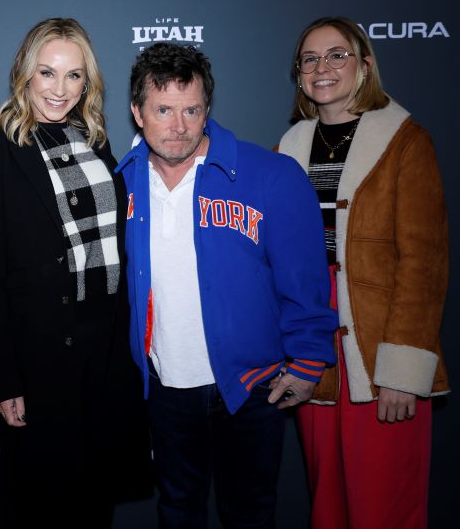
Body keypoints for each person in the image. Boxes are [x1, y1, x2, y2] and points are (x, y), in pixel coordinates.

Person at [115, 42, 337, 529]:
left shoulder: (271, 175)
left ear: (207, 108)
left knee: (250, 515)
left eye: (191, 109)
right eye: (164, 110)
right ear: (137, 112)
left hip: (252, 386)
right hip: (164, 386)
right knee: (177, 511)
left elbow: (305, 280)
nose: (179, 126)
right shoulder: (121, 183)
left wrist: (306, 360)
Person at [0, 18, 152, 528]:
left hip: (106, 352)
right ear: (25, 74)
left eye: (74, 76)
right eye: (47, 73)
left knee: (94, 503)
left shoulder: (96, 142)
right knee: (38, 506)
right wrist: (1, 378)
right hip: (39, 356)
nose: (59, 89)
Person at [277, 16, 450, 529]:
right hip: (314, 345)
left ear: (365, 65)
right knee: (325, 500)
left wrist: (402, 369)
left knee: (384, 504)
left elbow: (424, 262)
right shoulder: (288, 148)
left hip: (380, 346)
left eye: (337, 55)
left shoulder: (406, 141)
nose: (322, 67)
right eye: (310, 59)